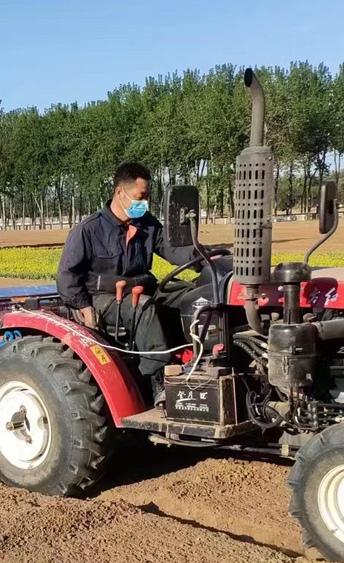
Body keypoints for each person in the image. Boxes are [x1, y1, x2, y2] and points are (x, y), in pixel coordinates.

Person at [56, 162, 226, 405]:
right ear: (119, 193)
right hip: (103, 297)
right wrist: (83, 306)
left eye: (147, 197)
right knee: (145, 308)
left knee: (197, 296)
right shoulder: (88, 230)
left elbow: (172, 249)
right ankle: (156, 381)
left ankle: (203, 360)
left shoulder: (147, 224)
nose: (144, 203)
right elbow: (67, 277)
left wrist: (203, 256)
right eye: (140, 197)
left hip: (142, 288)